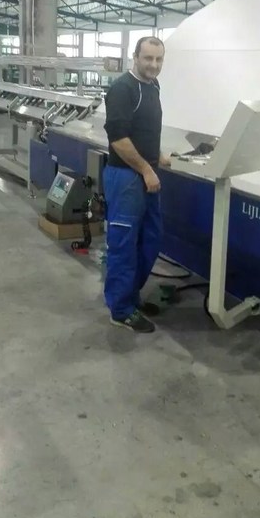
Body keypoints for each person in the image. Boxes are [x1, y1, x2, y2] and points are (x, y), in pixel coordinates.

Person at [103, 36, 170, 333]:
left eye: (158, 59)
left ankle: (131, 296)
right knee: (123, 245)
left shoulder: (153, 86)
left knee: (151, 238)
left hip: (146, 173)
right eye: (148, 58)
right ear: (135, 56)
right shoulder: (123, 89)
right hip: (126, 177)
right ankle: (120, 310)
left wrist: (159, 156)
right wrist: (146, 169)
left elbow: (144, 130)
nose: (153, 65)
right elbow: (118, 139)